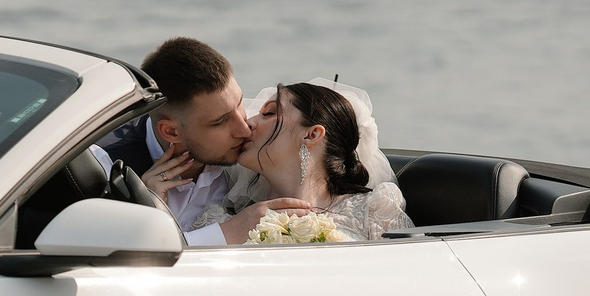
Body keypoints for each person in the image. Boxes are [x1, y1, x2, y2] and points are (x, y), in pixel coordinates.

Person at [105, 37, 314, 248]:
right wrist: (148, 212)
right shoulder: (105, 166)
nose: (244, 128)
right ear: (171, 131)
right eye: (221, 122)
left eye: (240, 103)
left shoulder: (254, 153)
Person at [231, 80, 412, 241]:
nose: (248, 123)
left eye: (269, 113)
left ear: (312, 134)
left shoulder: (373, 212)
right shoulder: (227, 223)